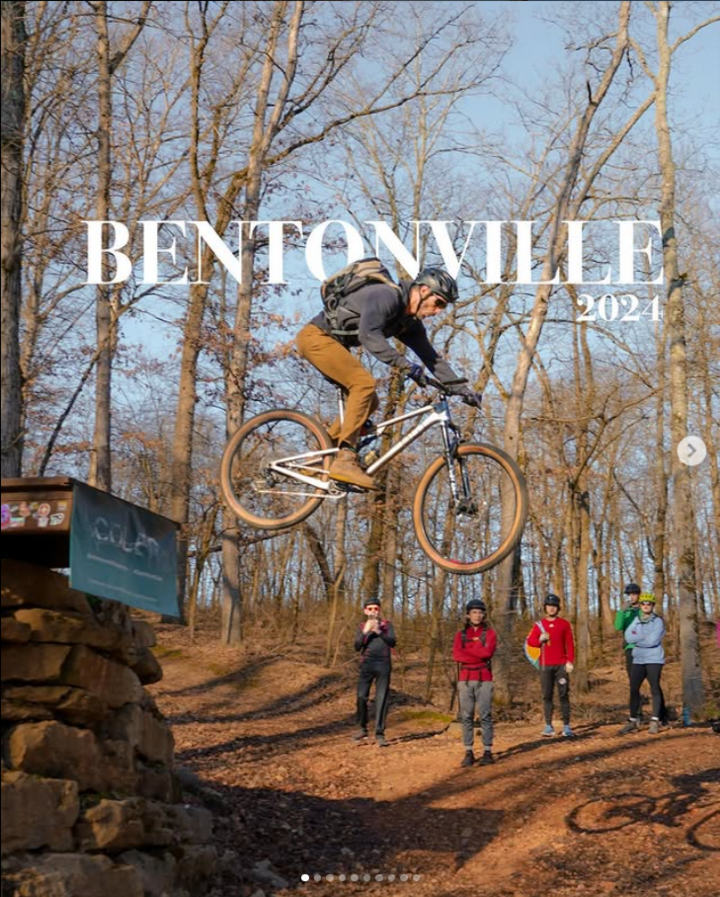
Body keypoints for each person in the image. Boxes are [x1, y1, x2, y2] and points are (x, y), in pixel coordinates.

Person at [296, 266, 482, 490]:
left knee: (369, 401)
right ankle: (345, 459)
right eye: (439, 303)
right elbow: (369, 335)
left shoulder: (408, 323)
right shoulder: (386, 296)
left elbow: (432, 359)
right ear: (423, 290)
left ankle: (319, 458)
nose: (438, 311)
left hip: (334, 345)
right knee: (363, 384)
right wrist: (404, 364)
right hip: (316, 338)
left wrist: (462, 389)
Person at [452, 598, 498, 767]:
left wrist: (469, 650)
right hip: (465, 679)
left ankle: (487, 751)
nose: (477, 616)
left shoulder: (490, 633)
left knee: (485, 715)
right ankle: (468, 751)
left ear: (484, 614)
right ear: (468, 614)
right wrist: (477, 648)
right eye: (474, 612)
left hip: (484, 678)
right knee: (467, 716)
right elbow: (457, 655)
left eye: (480, 612)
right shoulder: (461, 635)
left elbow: (487, 653)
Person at [526, 594, 576, 737]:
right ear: (545, 608)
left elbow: (570, 644)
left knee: (563, 694)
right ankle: (548, 726)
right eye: (549, 606)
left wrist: (570, 661)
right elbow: (530, 642)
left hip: (561, 665)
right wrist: (539, 640)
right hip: (545, 665)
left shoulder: (564, 624)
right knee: (547, 695)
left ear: (558, 608)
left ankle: (566, 726)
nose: (551, 608)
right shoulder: (539, 625)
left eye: (554, 606)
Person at [619, 593, 666, 735]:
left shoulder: (658, 621)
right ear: (640, 606)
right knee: (634, 689)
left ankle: (655, 720)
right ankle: (633, 720)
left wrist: (637, 639)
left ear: (652, 606)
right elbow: (628, 636)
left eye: (649, 604)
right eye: (643, 604)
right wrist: (641, 637)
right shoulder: (637, 620)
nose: (646, 606)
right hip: (638, 658)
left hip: (654, 659)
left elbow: (653, 641)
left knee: (654, 688)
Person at [353, 597, 396, 747]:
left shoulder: (387, 625)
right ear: (365, 611)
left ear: (379, 611)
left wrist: (379, 631)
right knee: (361, 696)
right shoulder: (361, 626)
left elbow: (392, 642)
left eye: (375, 609)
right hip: (367, 665)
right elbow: (357, 646)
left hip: (383, 665)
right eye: (370, 609)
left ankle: (380, 733)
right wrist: (365, 632)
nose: (373, 611)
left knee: (381, 698)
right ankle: (362, 728)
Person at [615, 582, 642, 681]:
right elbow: (618, 627)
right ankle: (636, 695)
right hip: (630, 647)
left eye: (634, 594)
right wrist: (621, 612)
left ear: (639, 595)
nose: (632, 597)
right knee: (632, 676)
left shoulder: (643, 610)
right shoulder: (625, 612)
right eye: (630, 595)